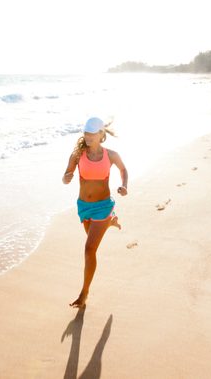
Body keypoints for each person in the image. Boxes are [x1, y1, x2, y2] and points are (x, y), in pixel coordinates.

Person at [62, 117, 128, 308]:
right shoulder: (77, 155)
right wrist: (67, 177)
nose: (88, 137)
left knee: (89, 250)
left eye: (92, 133)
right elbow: (66, 176)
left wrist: (124, 185)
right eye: (86, 133)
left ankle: (84, 292)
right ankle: (110, 221)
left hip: (102, 205)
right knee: (91, 246)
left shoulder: (111, 155)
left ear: (101, 134)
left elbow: (124, 170)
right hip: (84, 206)